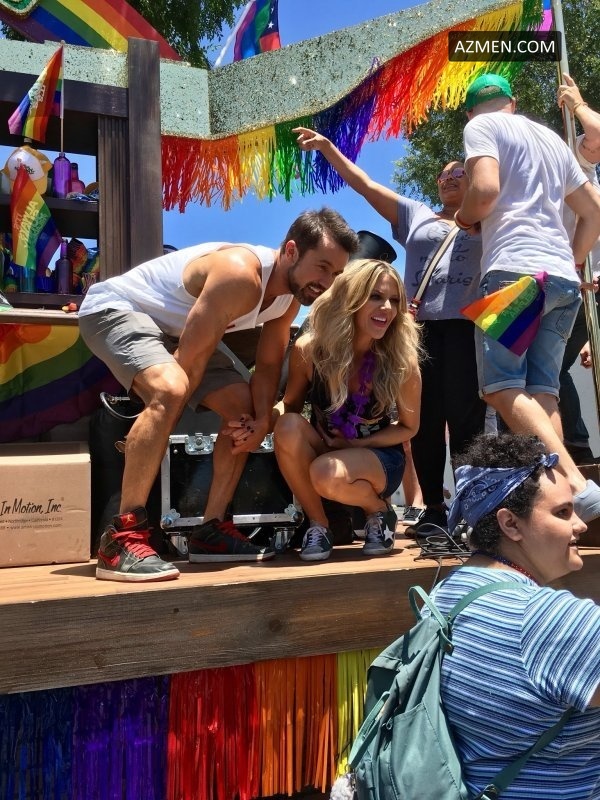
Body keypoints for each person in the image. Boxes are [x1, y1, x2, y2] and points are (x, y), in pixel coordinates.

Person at [78, 209, 359, 582]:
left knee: (243, 409)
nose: (326, 282)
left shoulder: (288, 298)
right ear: (291, 250)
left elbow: (268, 367)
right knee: (170, 389)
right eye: (322, 267)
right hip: (117, 309)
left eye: (335, 274)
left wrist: (261, 421)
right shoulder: (240, 274)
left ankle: (209, 532)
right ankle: (122, 539)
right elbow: (188, 365)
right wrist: (155, 421)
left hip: (177, 330)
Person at [293, 127, 486, 537]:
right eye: (443, 175)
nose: (449, 178)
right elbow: (365, 185)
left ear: (477, 179)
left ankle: (473, 508)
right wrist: (328, 148)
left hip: (468, 326)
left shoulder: (491, 216)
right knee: (425, 421)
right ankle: (434, 508)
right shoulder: (417, 214)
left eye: (459, 173)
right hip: (417, 329)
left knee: (467, 419)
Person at [454, 72, 600, 522]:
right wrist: (572, 261)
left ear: (470, 111)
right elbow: (594, 211)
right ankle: (561, 508)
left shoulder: (482, 127)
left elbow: (484, 190)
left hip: (514, 274)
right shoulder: (553, 140)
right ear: (512, 102)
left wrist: (463, 217)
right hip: (561, 280)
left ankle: (578, 487)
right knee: (542, 392)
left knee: (500, 389)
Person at [428, 432, 599, 799]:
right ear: (510, 524)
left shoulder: (445, 594)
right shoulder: (548, 621)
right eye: (563, 512)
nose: (580, 525)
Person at [273, 258, 421, 561]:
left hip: (378, 459)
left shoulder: (401, 359)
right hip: (326, 448)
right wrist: (257, 419)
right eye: (375, 296)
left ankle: (378, 511)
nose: (387, 308)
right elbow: (290, 406)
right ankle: (319, 525)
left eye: (395, 300)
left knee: (325, 472)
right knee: (287, 426)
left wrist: (358, 444)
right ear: (350, 298)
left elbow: (409, 427)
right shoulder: (309, 350)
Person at [557, 73, 600, 464]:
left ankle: (576, 446)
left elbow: (597, 134)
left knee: (548, 370)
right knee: (538, 371)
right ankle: (570, 446)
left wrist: (578, 104)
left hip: (583, 289)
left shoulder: (573, 161)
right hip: (559, 287)